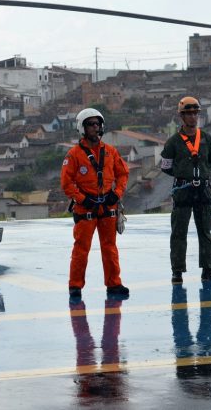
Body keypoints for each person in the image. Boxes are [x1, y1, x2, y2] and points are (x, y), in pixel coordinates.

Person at [61, 108, 130, 300]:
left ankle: (114, 283)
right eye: (90, 124)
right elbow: (66, 183)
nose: (95, 127)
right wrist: (82, 199)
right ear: (82, 128)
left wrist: (116, 194)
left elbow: (123, 174)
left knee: (110, 247)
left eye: (97, 124)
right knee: (81, 248)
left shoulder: (110, 152)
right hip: (86, 208)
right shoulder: (74, 155)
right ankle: (75, 286)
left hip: (108, 205)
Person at [160, 97, 211, 284]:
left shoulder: (206, 138)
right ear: (182, 116)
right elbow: (165, 166)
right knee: (179, 232)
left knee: (205, 231)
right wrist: (182, 174)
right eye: (188, 114)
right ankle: (177, 271)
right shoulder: (173, 142)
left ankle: (207, 269)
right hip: (183, 191)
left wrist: (202, 173)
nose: (193, 117)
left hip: (202, 190)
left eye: (195, 113)